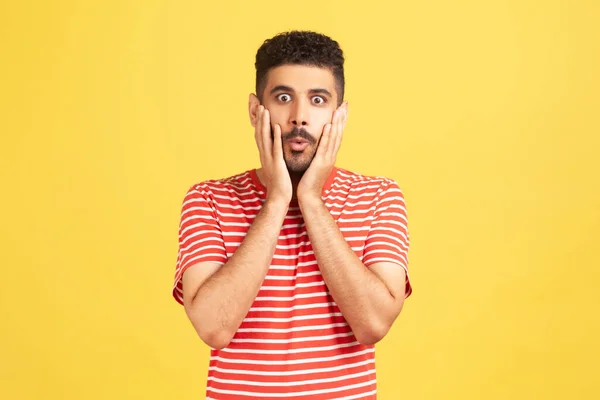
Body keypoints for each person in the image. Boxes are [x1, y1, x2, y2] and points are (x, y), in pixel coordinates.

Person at [172, 30, 412, 399]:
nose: (299, 118)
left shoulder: (380, 196)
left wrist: (311, 200)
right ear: (256, 110)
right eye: (283, 98)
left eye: (318, 99)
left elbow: (373, 324)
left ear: (339, 114)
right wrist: (277, 200)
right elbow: (213, 329)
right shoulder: (209, 198)